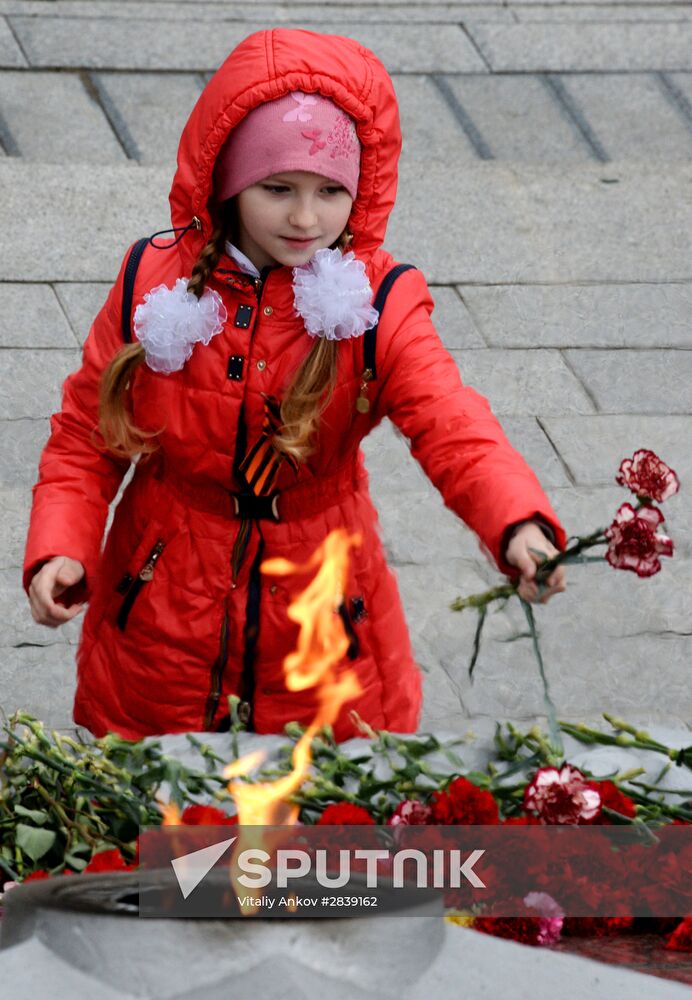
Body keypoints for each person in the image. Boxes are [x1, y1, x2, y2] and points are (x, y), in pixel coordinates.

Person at [23, 28, 567, 741]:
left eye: (330, 191)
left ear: (359, 189)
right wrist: (62, 543)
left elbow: (451, 421)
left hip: (323, 610)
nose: (306, 218)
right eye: (278, 189)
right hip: (163, 614)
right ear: (227, 181)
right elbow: (85, 438)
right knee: (169, 827)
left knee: (316, 827)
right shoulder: (150, 283)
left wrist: (517, 521)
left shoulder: (376, 303)